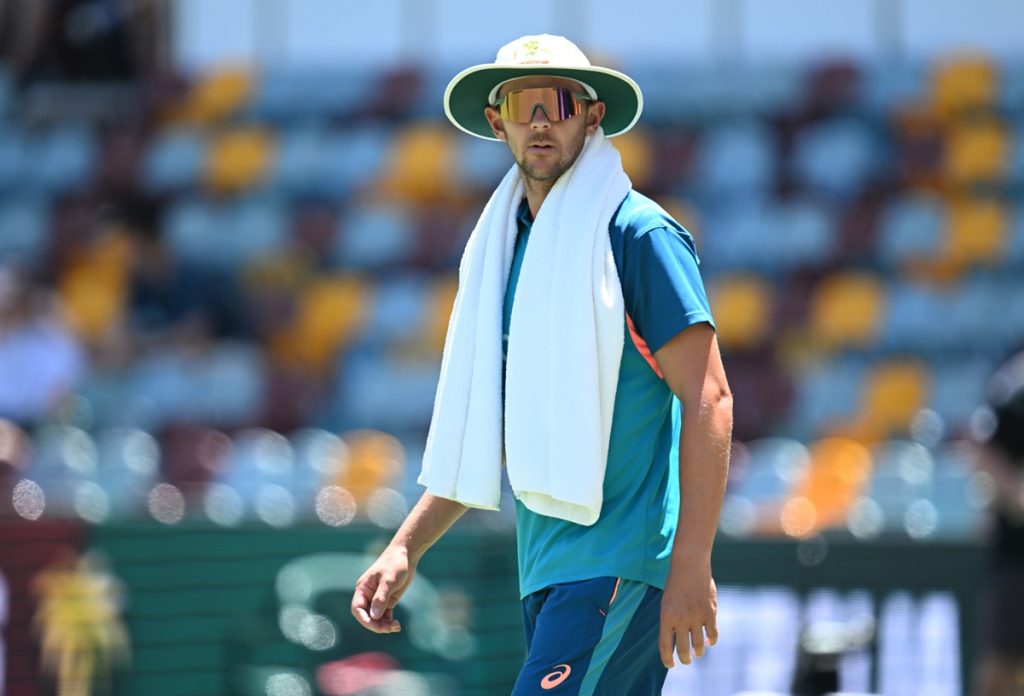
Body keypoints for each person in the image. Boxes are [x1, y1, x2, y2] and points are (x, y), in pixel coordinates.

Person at [351, 34, 733, 695]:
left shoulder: (638, 235)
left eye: (556, 101)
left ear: (593, 114)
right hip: (549, 570)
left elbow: (711, 399)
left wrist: (692, 564)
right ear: (496, 122)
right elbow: (497, 422)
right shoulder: (508, 249)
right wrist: (406, 545)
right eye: (522, 103)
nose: (539, 121)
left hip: (621, 563)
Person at [970, 350, 1024, 696]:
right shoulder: (1017, 383)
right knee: (1002, 661)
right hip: (1019, 557)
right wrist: (1016, 491)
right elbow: (982, 449)